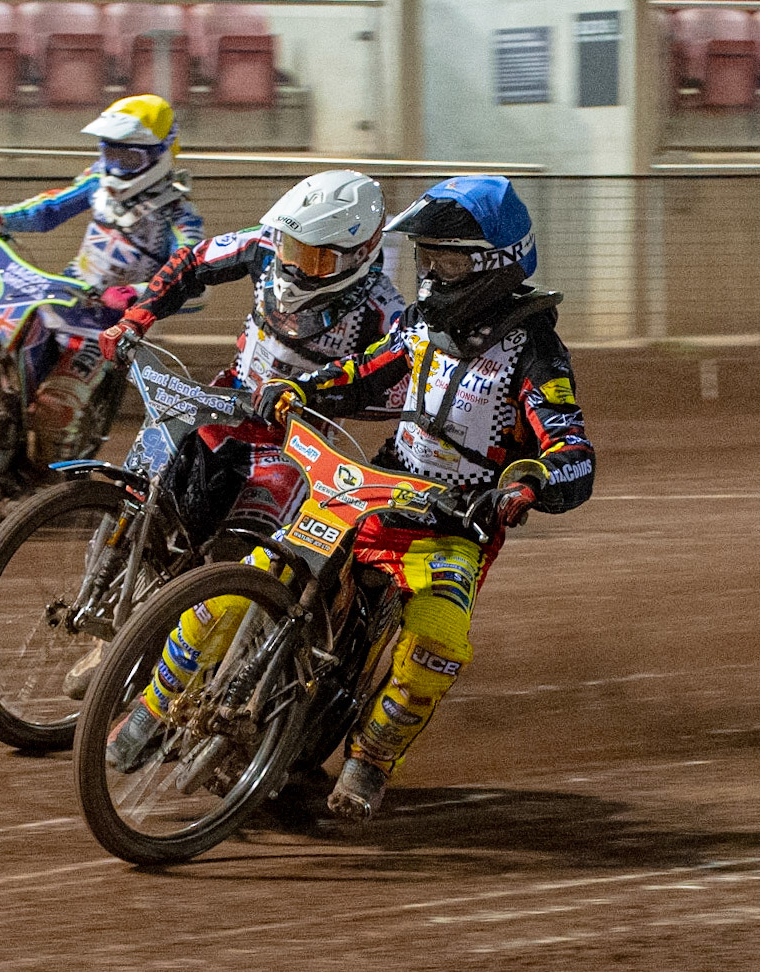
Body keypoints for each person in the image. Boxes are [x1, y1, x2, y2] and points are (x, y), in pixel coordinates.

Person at [105, 176, 595, 822]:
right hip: (376, 485)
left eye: (447, 262)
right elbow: (363, 372)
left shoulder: (534, 352)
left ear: (493, 267)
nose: (431, 274)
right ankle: (152, 707)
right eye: (426, 258)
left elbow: (571, 448)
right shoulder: (419, 325)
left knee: (436, 644)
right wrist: (302, 390)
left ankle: (370, 760)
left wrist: (530, 483)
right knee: (253, 573)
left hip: (456, 520)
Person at [58, 168, 406, 700]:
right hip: (218, 405)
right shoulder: (264, 246)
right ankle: (113, 639)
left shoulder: (385, 309)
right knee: (136, 497)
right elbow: (192, 261)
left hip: (291, 444)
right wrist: (137, 317)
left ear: (360, 252)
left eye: (315, 258)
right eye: (291, 246)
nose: (294, 264)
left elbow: (405, 385)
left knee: (238, 556)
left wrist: (328, 396)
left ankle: (205, 673)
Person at [0, 94, 205, 472]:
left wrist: (138, 293)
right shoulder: (97, 181)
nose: (116, 165)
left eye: (128, 158)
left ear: (160, 154)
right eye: (110, 153)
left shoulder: (179, 214)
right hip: (62, 296)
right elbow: (49, 208)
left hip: (109, 324)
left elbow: (195, 281)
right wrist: (0, 217)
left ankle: (49, 480)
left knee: (54, 408)